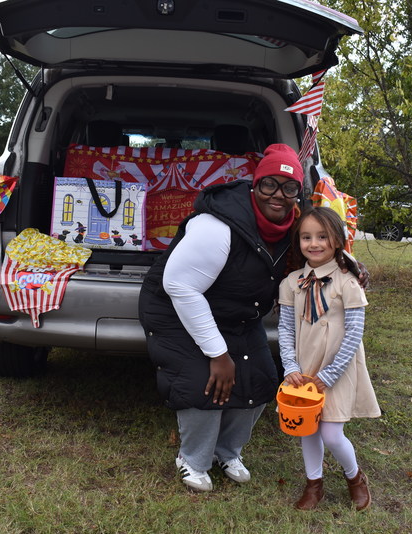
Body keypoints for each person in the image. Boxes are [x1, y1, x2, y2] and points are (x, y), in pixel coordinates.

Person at [138, 143, 306, 491]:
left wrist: (352, 269)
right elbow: (179, 285)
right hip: (177, 307)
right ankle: (193, 459)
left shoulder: (296, 223)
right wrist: (218, 353)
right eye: (269, 184)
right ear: (255, 185)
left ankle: (227, 452)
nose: (278, 194)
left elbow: (326, 248)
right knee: (205, 383)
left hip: (237, 313)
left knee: (261, 381)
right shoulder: (217, 226)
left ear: (298, 192)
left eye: (289, 187)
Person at [278, 206, 381, 511]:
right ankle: (314, 484)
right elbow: (285, 329)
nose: (314, 243)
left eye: (322, 236)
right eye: (306, 237)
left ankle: (355, 478)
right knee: (307, 429)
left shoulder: (348, 282)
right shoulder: (291, 282)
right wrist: (290, 365)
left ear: (337, 239)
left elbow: (354, 332)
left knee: (332, 433)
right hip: (304, 369)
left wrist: (331, 373)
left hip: (338, 368)